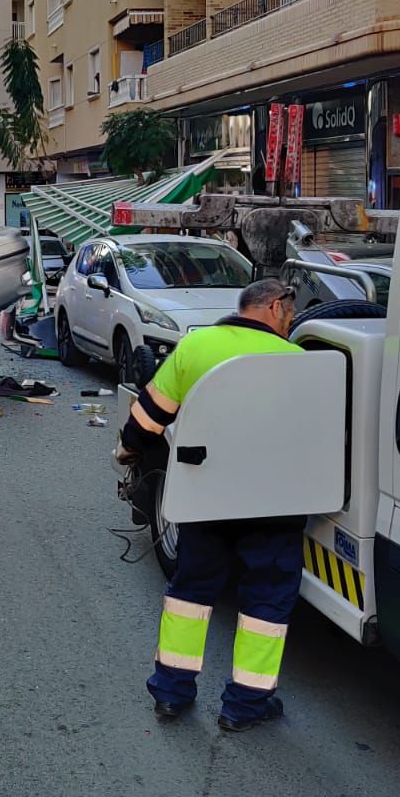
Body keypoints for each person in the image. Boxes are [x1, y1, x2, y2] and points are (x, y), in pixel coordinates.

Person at [116, 278, 303, 733]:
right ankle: (245, 705)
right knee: (266, 600)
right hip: (272, 503)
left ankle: (170, 693)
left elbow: (148, 419)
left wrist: (128, 451)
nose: (291, 323)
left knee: (191, 591)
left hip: (206, 497)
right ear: (276, 307)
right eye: (291, 315)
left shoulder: (196, 347)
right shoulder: (301, 363)